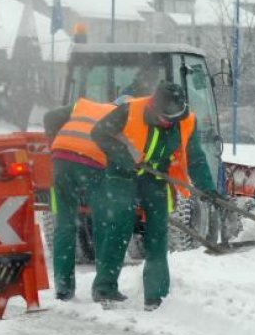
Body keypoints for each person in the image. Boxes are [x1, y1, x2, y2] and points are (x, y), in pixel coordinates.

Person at [90, 80, 219, 310]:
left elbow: (196, 158)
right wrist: (124, 158)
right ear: (153, 107)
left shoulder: (186, 121)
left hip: (155, 177)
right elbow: (98, 132)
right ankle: (104, 287)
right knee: (119, 227)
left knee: (157, 234)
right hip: (123, 175)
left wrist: (207, 188)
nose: (168, 123)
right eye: (164, 119)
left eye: (173, 120)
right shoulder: (130, 110)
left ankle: (156, 295)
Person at [43, 97, 117, 301]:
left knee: (65, 223)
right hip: (92, 162)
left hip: (61, 158)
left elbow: (49, 116)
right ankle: (102, 288)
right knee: (104, 222)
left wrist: (54, 144)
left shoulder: (84, 106)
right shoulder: (124, 116)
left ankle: (63, 288)